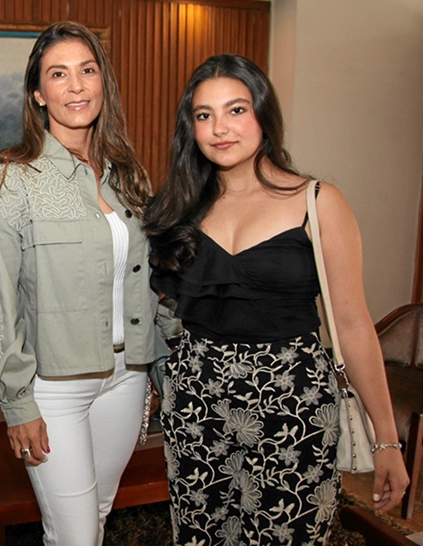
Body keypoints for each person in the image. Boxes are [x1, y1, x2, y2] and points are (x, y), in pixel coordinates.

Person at [146, 54, 409, 545]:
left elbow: (353, 326)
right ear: (191, 128)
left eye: (236, 110)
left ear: (264, 115)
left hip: (294, 404)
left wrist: (386, 439)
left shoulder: (318, 201)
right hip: (197, 403)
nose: (220, 128)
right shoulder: (178, 207)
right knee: (200, 537)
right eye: (204, 115)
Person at [0, 21, 163, 545]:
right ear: (38, 93)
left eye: (87, 70)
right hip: (54, 389)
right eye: (58, 74)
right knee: (74, 534)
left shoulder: (127, 175)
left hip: (126, 377)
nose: (76, 86)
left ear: (103, 83)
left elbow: (147, 280)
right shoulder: (12, 179)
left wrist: (159, 361)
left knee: (93, 518)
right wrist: (16, 403)